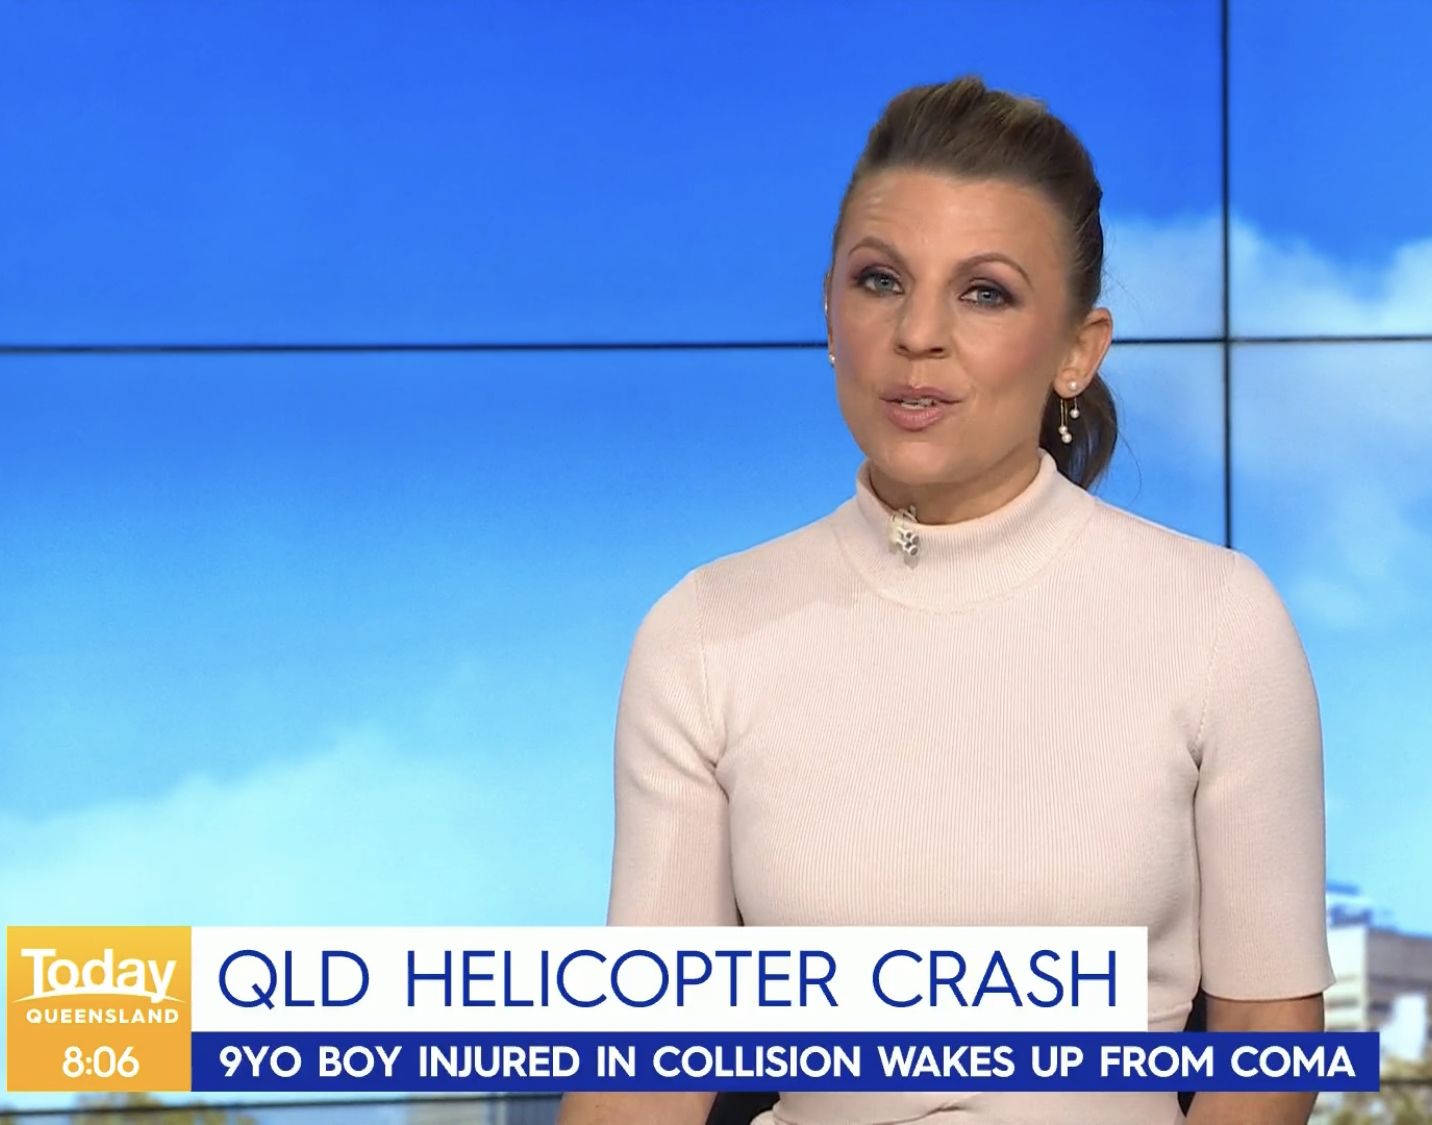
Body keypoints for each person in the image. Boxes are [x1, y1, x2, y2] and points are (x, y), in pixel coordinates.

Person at [558, 75, 1333, 1125]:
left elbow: (1268, 1040)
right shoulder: (704, 632)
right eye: (880, 281)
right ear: (828, 312)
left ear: (1077, 350)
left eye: (984, 293)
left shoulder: (1217, 619)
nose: (917, 332)